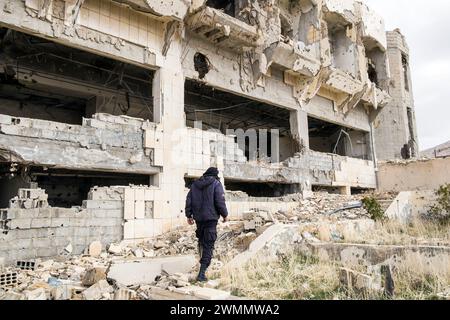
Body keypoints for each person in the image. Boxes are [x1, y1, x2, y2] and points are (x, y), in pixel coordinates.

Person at [185, 167, 228, 282]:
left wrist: (188, 215)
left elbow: (188, 200)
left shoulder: (194, 185)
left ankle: (202, 268)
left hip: (199, 220)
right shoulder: (216, 183)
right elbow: (220, 201)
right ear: (215, 175)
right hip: (210, 220)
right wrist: (225, 214)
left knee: (202, 242)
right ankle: (201, 274)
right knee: (208, 245)